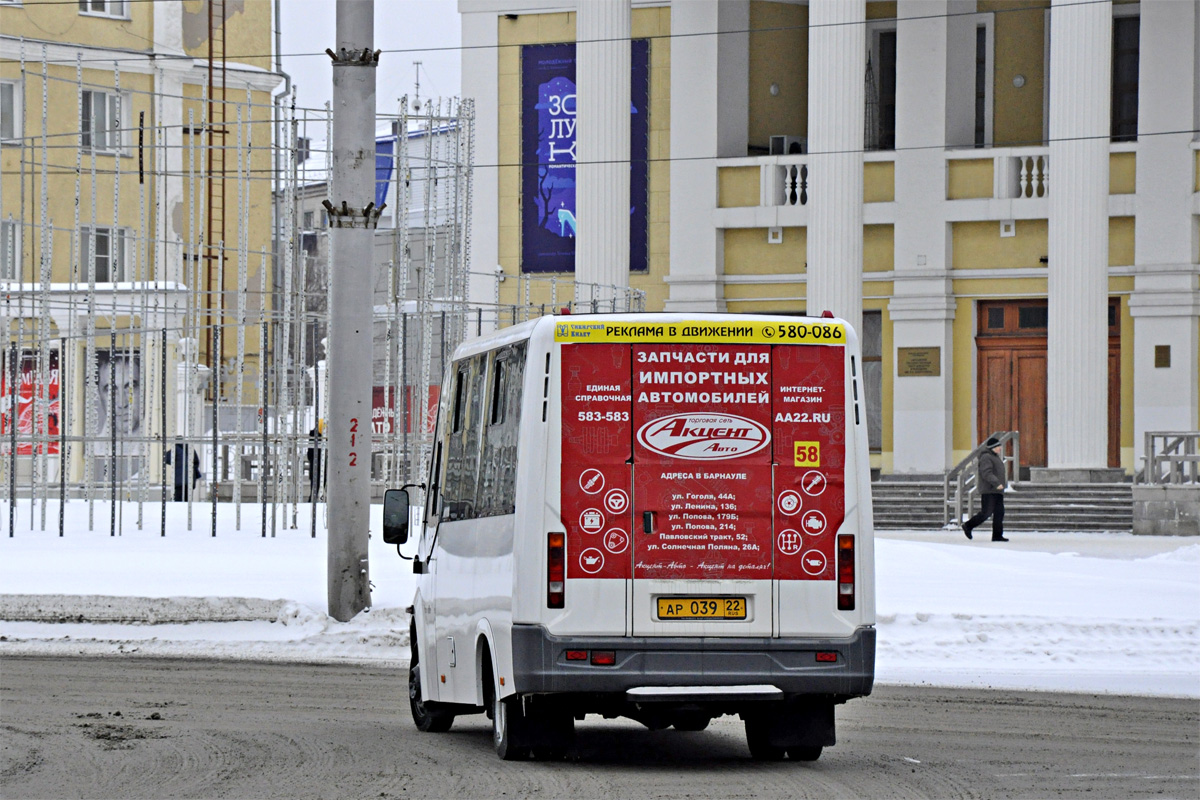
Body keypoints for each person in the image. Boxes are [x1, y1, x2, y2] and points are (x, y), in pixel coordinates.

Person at [963, 436, 1009, 542]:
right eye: (998, 446)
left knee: (999, 512)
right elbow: (986, 473)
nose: (1000, 448)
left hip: (997, 490)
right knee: (986, 513)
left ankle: (997, 535)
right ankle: (968, 526)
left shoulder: (995, 457)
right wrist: (996, 483)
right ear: (992, 447)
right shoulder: (986, 457)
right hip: (989, 490)